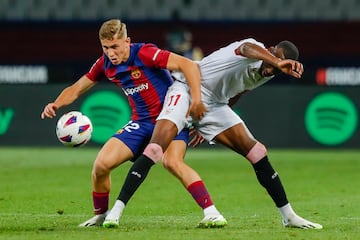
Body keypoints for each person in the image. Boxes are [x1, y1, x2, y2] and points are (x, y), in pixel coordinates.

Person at [106, 38, 323, 229]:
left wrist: (207, 124)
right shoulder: (254, 47)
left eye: (277, 70)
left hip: (215, 105)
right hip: (188, 89)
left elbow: (240, 89)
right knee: (155, 150)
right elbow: (246, 48)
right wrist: (277, 62)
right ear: (270, 50)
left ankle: (288, 216)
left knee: (258, 152)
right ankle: (115, 211)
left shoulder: (269, 70)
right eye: (275, 62)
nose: (273, 70)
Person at [40, 19, 226, 228]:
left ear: (127, 41)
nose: (110, 53)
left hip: (170, 120)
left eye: (115, 47)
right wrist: (56, 104)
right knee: (101, 166)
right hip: (141, 123)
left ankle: (212, 212)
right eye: (105, 48)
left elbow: (188, 64)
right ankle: (101, 215)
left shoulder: (145, 53)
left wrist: (196, 100)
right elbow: (77, 87)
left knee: (172, 162)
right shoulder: (104, 64)